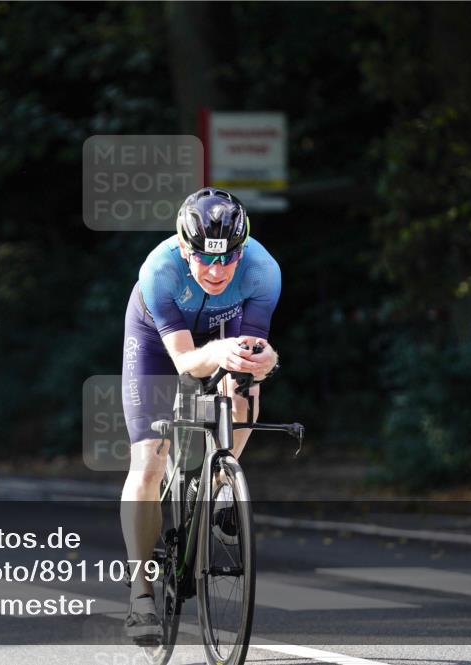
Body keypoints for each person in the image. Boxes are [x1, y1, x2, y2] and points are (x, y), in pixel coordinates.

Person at [120, 187, 281, 642]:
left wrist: (264, 361)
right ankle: (140, 594)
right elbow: (187, 365)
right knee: (149, 460)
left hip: (222, 333)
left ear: (242, 251)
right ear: (183, 248)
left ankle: (219, 483)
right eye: (205, 259)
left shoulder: (263, 271)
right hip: (157, 342)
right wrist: (221, 352)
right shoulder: (159, 270)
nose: (216, 271)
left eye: (229, 259)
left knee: (244, 381)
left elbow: (251, 351)